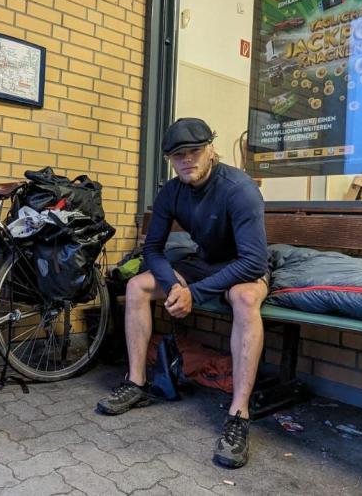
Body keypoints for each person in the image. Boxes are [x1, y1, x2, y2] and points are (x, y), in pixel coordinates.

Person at [96, 118, 269, 469]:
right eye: (178, 156)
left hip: (244, 268)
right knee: (136, 285)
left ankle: (239, 416)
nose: (187, 160)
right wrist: (175, 285)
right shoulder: (172, 191)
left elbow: (253, 261)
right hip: (204, 264)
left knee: (245, 298)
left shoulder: (239, 188)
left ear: (211, 150)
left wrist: (196, 291)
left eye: (194, 152)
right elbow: (154, 249)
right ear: (170, 160)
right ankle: (136, 382)